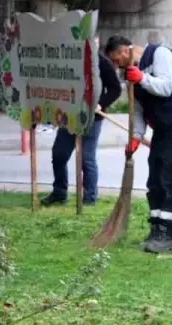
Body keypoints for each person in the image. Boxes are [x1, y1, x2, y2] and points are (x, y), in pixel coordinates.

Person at [105, 34, 172, 254]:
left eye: (116, 60)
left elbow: (166, 87)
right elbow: (139, 110)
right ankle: (157, 228)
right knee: (155, 180)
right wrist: (136, 136)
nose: (117, 65)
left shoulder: (159, 54)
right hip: (160, 130)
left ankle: (169, 232)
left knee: (171, 179)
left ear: (125, 51)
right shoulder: (131, 74)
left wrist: (141, 78)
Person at [42, 40, 122, 206]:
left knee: (87, 159)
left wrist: (101, 104)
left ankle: (89, 197)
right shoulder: (69, 60)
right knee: (59, 154)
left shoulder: (102, 63)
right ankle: (59, 192)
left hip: (92, 119)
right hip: (69, 115)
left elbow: (115, 89)